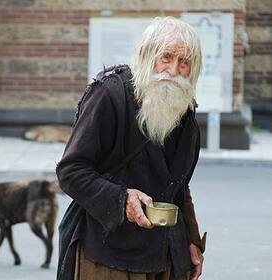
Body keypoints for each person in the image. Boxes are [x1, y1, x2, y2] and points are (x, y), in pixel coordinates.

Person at [56, 16, 207, 280]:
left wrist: (191, 239)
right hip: (107, 257)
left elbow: (179, 186)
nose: (173, 71)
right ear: (144, 55)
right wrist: (122, 198)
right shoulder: (109, 95)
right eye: (166, 57)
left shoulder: (184, 111)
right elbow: (71, 171)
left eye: (184, 62)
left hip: (165, 254)